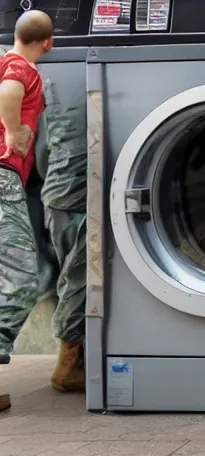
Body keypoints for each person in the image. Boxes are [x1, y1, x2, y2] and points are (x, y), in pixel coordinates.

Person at [0, 10, 53, 412]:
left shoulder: (3, 58)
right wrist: (14, 130)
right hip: (3, 180)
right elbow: (10, 90)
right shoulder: (23, 68)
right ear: (48, 43)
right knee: (20, 282)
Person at [33, 78, 87, 394]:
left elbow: (41, 153)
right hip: (73, 199)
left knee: (74, 275)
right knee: (77, 277)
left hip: (57, 197)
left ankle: (78, 360)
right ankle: (66, 368)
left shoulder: (51, 86)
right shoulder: (87, 84)